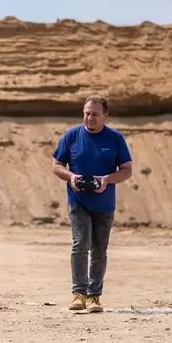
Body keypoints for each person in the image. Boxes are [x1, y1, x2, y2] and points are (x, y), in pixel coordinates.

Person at [52, 96, 133, 312]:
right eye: (87, 113)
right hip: (78, 201)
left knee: (99, 250)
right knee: (80, 245)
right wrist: (71, 177)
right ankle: (78, 294)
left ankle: (94, 296)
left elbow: (127, 170)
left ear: (106, 115)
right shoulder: (71, 136)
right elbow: (57, 165)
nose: (90, 117)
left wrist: (106, 180)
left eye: (95, 114)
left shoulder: (115, 138)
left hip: (105, 204)